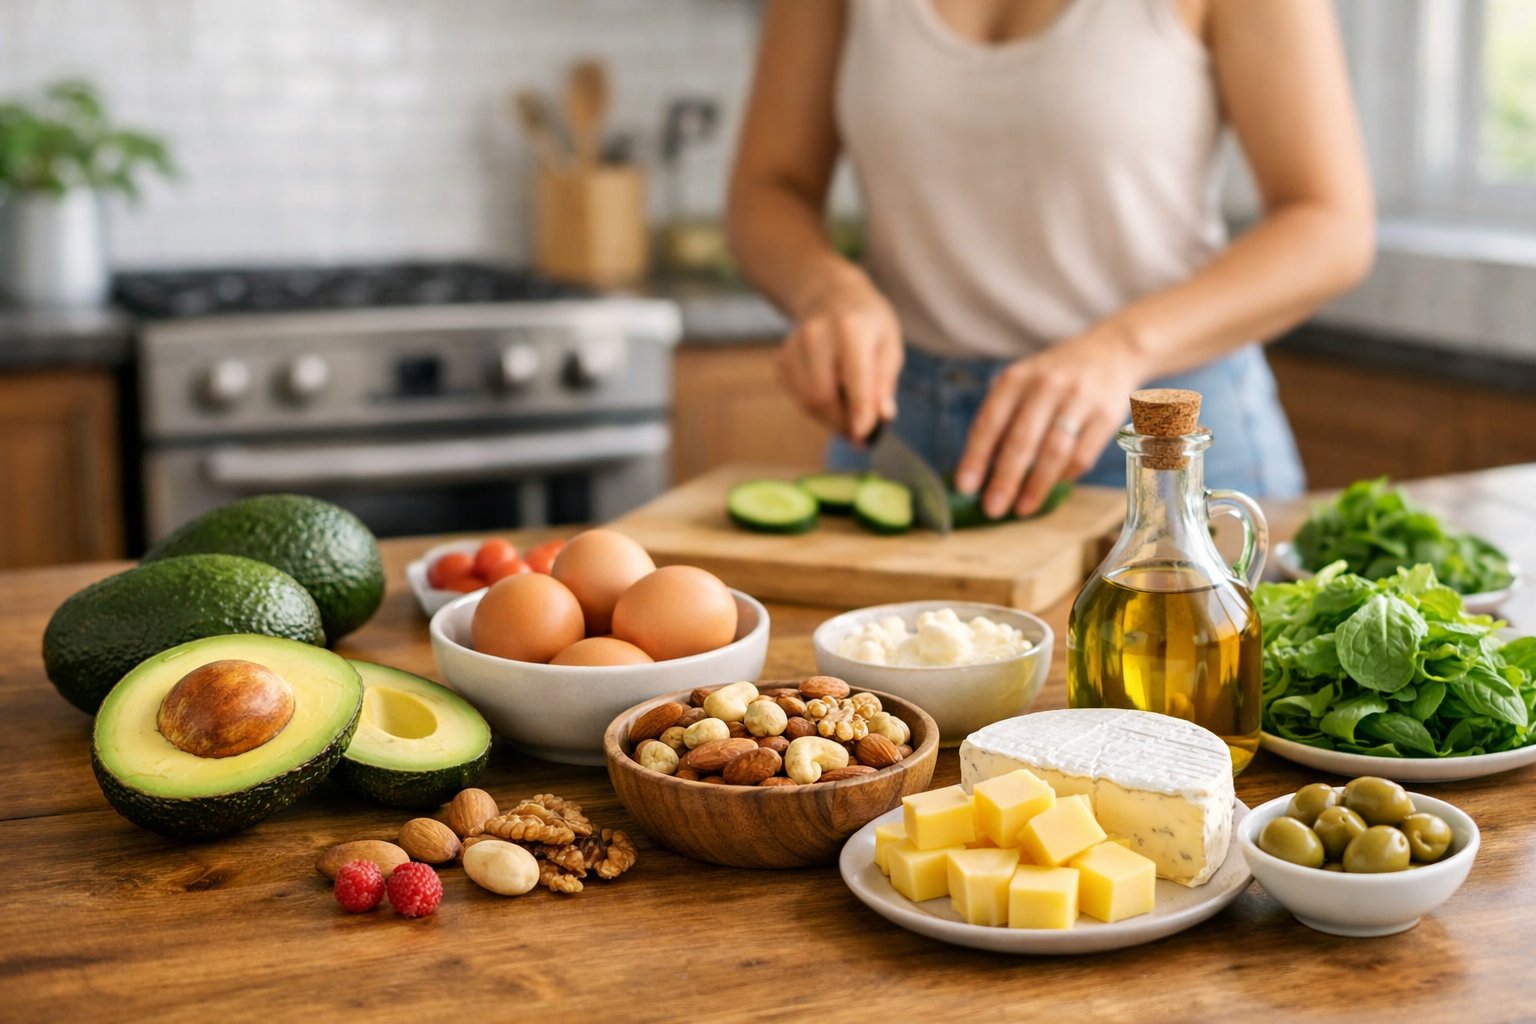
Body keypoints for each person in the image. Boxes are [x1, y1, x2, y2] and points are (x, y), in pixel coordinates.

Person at [727, 0, 1374, 519]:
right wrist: (828, 290)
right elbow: (769, 189)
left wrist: (1120, 348)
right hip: (900, 435)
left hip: (1163, 437)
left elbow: (1329, 223)